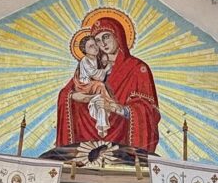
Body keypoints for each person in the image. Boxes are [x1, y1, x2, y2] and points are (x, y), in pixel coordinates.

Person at [55, 12, 161, 153]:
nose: (103, 44)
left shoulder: (137, 68)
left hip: (123, 142)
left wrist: (115, 108)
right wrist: (79, 97)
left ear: (117, 36)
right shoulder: (93, 65)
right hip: (87, 142)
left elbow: (147, 111)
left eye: (106, 37)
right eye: (98, 41)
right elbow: (66, 93)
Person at [69, 31, 116, 134]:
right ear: (84, 50)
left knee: (99, 99)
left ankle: (102, 124)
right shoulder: (85, 60)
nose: (95, 48)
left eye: (95, 44)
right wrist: (106, 69)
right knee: (100, 85)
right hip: (84, 86)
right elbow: (96, 75)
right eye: (91, 46)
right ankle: (110, 102)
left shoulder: (96, 58)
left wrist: (107, 67)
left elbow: (103, 71)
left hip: (91, 85)